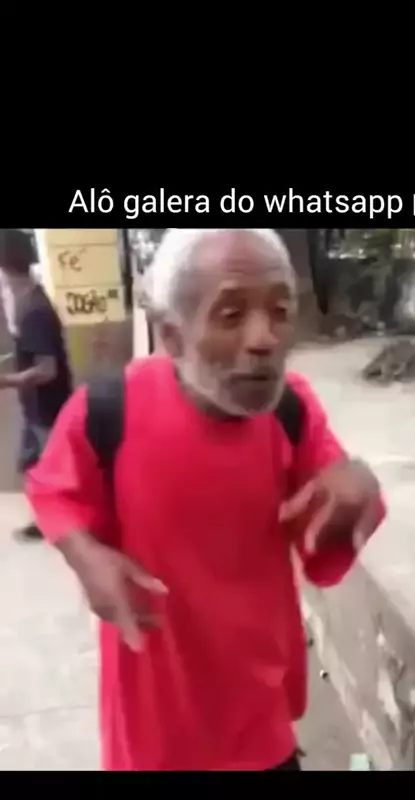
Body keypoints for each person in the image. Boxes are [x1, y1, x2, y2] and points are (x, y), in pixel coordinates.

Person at [27, 228, 386, 771]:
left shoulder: (293, 410)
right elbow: (54, 489)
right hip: (155, 720)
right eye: (231, 315)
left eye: (280, 311)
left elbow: (327, 522)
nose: (264, 339)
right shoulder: (106, 411)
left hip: (260, 717)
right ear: (172, 335)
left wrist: (357, 489)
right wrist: (85, 554)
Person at [0, 229, 73, 540]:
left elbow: (47, 370)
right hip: (37, 408)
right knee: (32, 466)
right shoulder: (26, 301)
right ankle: (46, 520)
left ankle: (64, 525)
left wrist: (6, 381)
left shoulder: (35, 311)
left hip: (47, 408)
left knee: (51, 471)